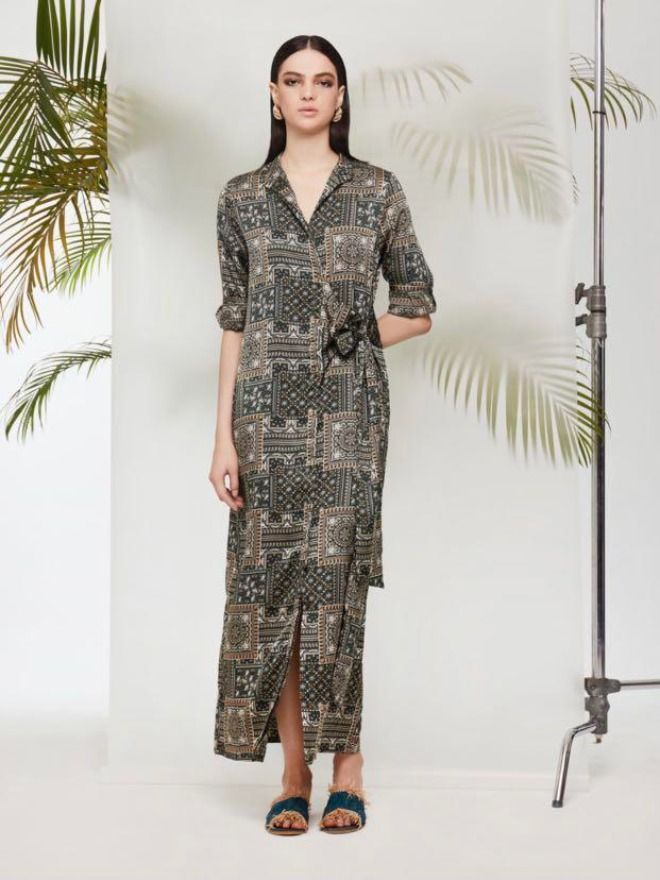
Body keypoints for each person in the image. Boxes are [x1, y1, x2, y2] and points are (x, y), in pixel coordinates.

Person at [209, 34, 436, 835]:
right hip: (262, 418)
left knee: (336, 590)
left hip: (348, 417)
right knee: (274, 593)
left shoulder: (376, 191)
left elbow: (417, 304)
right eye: (294, 79)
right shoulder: (242, 198)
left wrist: (359, 334)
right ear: (273, 95)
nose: (309, 92)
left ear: (341, 97)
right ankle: (293, 774)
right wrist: (222, 439)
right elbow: (235, 320)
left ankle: (349, 771)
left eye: (324, 80)